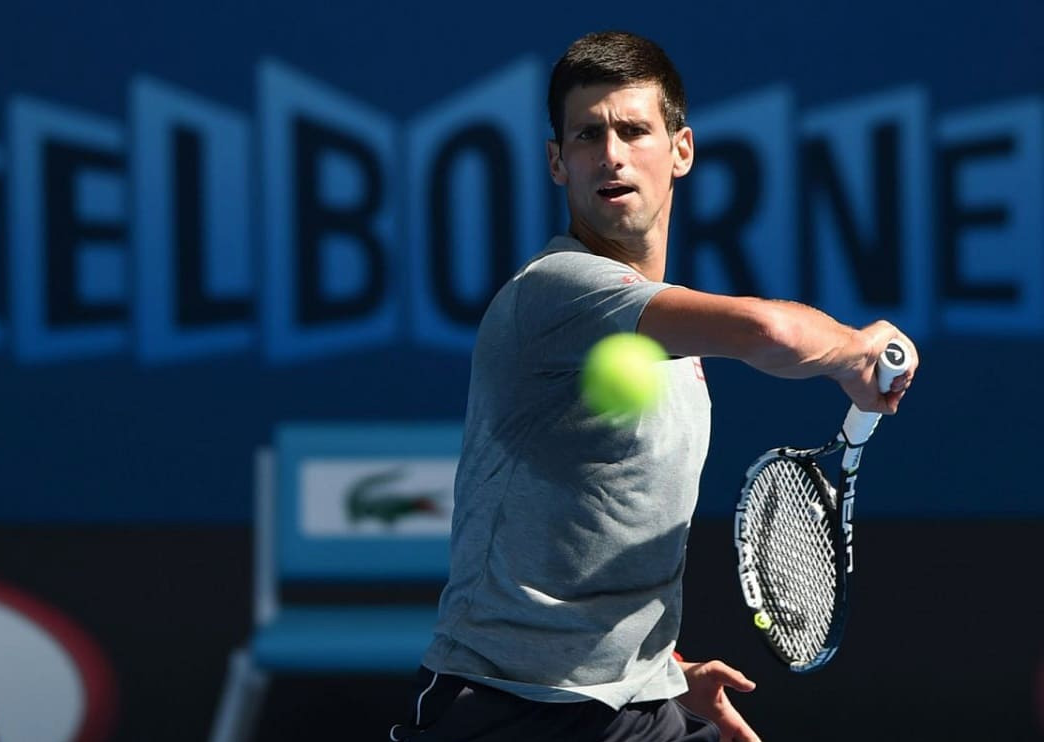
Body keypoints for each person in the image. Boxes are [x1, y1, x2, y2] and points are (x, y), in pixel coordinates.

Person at [390, 30, 918, 742]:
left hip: (634, 707)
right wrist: (855, 350)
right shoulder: (554, 291)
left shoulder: (671, 349)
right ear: (557, 161)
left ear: (681, 150)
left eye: (634, 130)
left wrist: (666, 669)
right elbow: (772, 333)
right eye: (587, 135)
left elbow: (595, 533)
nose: (610, 153)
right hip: (505, 709)